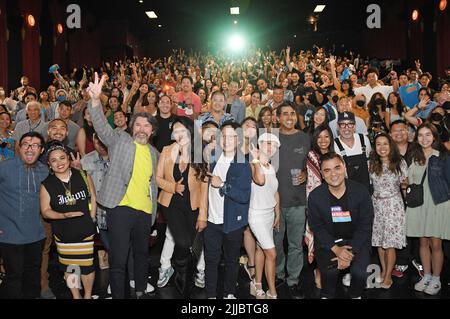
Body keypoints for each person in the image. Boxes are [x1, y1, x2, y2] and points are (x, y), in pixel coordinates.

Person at [87, 73, 159, 299]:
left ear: (152, 131)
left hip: (145, 212)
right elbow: (101, 128)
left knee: (141, 256)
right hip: (120, 208)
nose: (142, 128)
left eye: (147, 125)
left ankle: (139, 292)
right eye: (137, 124)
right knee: (118, 259)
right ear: (131, 127)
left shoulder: (155, 154)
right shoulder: (120, 140)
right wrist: (97, 101)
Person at [308, 152, 374, 299]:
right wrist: (336, 250)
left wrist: (350, 253)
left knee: (360, 272)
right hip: (329, 243)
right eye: (327, 170)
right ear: (322, 174)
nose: (333, 174)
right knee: (330, 272)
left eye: (337, 168)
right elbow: (316, 226)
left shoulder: (361, 191)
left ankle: (356, 295)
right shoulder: (315, 196)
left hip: (356, 240)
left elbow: (365, 225)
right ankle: (327, 294)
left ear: (344, 167)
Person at [156, 117, 209, 297]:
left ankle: (186, 274)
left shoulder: (200, 152)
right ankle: (179, 271)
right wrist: (173, 187)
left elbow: (204, 187)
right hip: (171, 204)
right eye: (176, 131)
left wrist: (203, 215)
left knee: (191, 245)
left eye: (183, 131)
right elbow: (157, 178)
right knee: (182, 242)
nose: (179, 135)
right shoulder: (166, 150)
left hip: (193, 206)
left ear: (190, 132)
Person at [39, 142, 97, 299]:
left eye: (62, 158)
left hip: (85, 232)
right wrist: (63, 216)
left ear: (68, 159)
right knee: (70, 267)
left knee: (87, 267)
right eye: (54, 160)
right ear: (49, 165)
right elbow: (45, 211)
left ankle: (88, 295)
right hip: (63, 234)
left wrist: (92, 216)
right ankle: (76, 296)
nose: (59, 162)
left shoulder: (83, 175)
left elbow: (93, 196)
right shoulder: (47, 185)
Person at [204, 121, 252, 299]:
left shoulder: (243, 164)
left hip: (232, 222)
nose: (227, 140)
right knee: (211, 260)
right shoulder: (213, 158)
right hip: (211, 220)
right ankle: (210, 295)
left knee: (232, 260)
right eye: (224, 136)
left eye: (232, 136)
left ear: (238, 139)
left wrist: (223, 185)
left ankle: (229, 293)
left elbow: (244, 196)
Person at [0, 132, 48, 299]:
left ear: (41, 150)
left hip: (36, 235)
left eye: (35, 145)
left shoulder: (45, 171)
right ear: (19, 148)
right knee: (13, 277)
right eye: (26, 144)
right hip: (9, 235)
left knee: (33, 277)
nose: (29, 148)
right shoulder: (4, 167)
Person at [406, 123, 450, 295]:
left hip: (437, 205)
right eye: (421, 135)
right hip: (418, 204)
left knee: (436, 243)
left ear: (434, 136)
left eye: (428, 135)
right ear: (416, 138)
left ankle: (437, 278)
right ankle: (427, 275)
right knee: (422, 242)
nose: (424, 139)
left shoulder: (443, 156)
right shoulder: (413, 155)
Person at [274, 103, 310, 299]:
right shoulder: (270, 136)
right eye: (285, 114)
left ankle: (293, 280)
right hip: (275, 202)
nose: (289, 117)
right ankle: (279, 274)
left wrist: (305, 172)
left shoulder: (305, 138)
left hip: (298, 200)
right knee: (277, 242)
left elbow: (311, 164)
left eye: (292, 114)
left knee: (296, 244)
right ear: (278, 117)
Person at [369, 133, 408, 289]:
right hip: (376, 206)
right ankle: (384, 271)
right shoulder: (371, 163)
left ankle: (387, 276)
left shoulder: (400, 162)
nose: (382, 147)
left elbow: (405, 184)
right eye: (378, 144)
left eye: (385, 144)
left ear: (391, 145)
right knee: (379, 242)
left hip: (393, 206)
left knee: (390, 243)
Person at [248, 133, 281, 299]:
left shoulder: (270, 166)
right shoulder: (254, 163)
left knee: (261, 249)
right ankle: (272, 292)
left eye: (274, 145)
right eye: (267, 143)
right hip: (257, 215)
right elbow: (260, 181)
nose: (271, 147)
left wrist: (277, 212)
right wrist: (255, 160)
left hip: (269, 213)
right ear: (259, 144)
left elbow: (274, 191)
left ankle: (257, 284)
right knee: (272, 254)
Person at [389, 120, 423, 278]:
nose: (399, 133)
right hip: (395, 197)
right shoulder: (387, 151)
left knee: (417, 228)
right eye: (395, 131)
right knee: (400, 228)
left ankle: (417, 259)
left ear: (408, 132)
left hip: (416, 195)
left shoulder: (417, 148)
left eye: (402, 130)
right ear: (390, 134)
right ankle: (402, 260)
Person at [305, 125, 335, 289]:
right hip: (317, 203)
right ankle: (318, 270)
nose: (323, 140)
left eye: (326, 137)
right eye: (319, 137)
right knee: (318, 239)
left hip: (335, 203)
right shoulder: (311, 156)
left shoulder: (334, 156)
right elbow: (313, 182)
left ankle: (330, 270)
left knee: (333, 238)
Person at [333, 112, 372, 191]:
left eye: (350, 124)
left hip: (367, 187)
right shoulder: (334, 145)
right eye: (342, 124)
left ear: (354, 126)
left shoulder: (364, 139)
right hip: (347, 190)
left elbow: (370, 162)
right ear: (337, 126)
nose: (346, 128)